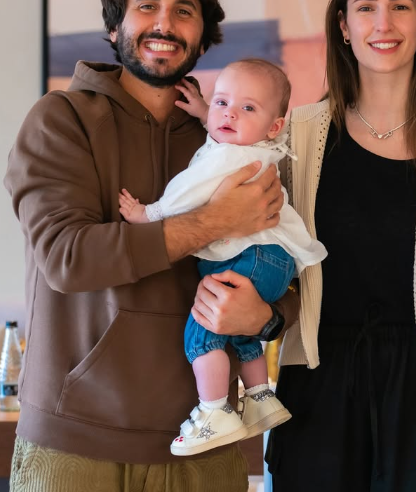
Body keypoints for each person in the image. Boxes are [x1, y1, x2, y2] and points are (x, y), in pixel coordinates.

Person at [186, 0, 416, 491]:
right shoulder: (296, 135)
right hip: (317, 388)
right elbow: (246, 227)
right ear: (343, 25)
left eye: (401, 6)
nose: (384, 23)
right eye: (366, 7)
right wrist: (260, 318)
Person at [4, 0, 298, 492]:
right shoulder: (61, 120)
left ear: (203, 35)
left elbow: (283, 265)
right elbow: (66, 258)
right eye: (147, 6)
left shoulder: (233, 140)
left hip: (204, 443)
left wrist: (265, 317)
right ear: (116, 25)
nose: (165, 23)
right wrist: (212, 221)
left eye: (184, 10)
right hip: (74, 445)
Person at [118, 58, 326, 456]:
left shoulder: (227, 159)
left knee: (204, 329)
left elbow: (190, 188)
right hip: (272, 263)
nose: (229, 113)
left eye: (247, 107)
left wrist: (150, 214)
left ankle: (214, 411)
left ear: (274, 126)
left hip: (250, 256)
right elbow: (223, 130)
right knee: (240, 331)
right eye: (221, 102)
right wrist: (204, 112)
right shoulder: (257, 147)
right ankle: (261, 398)